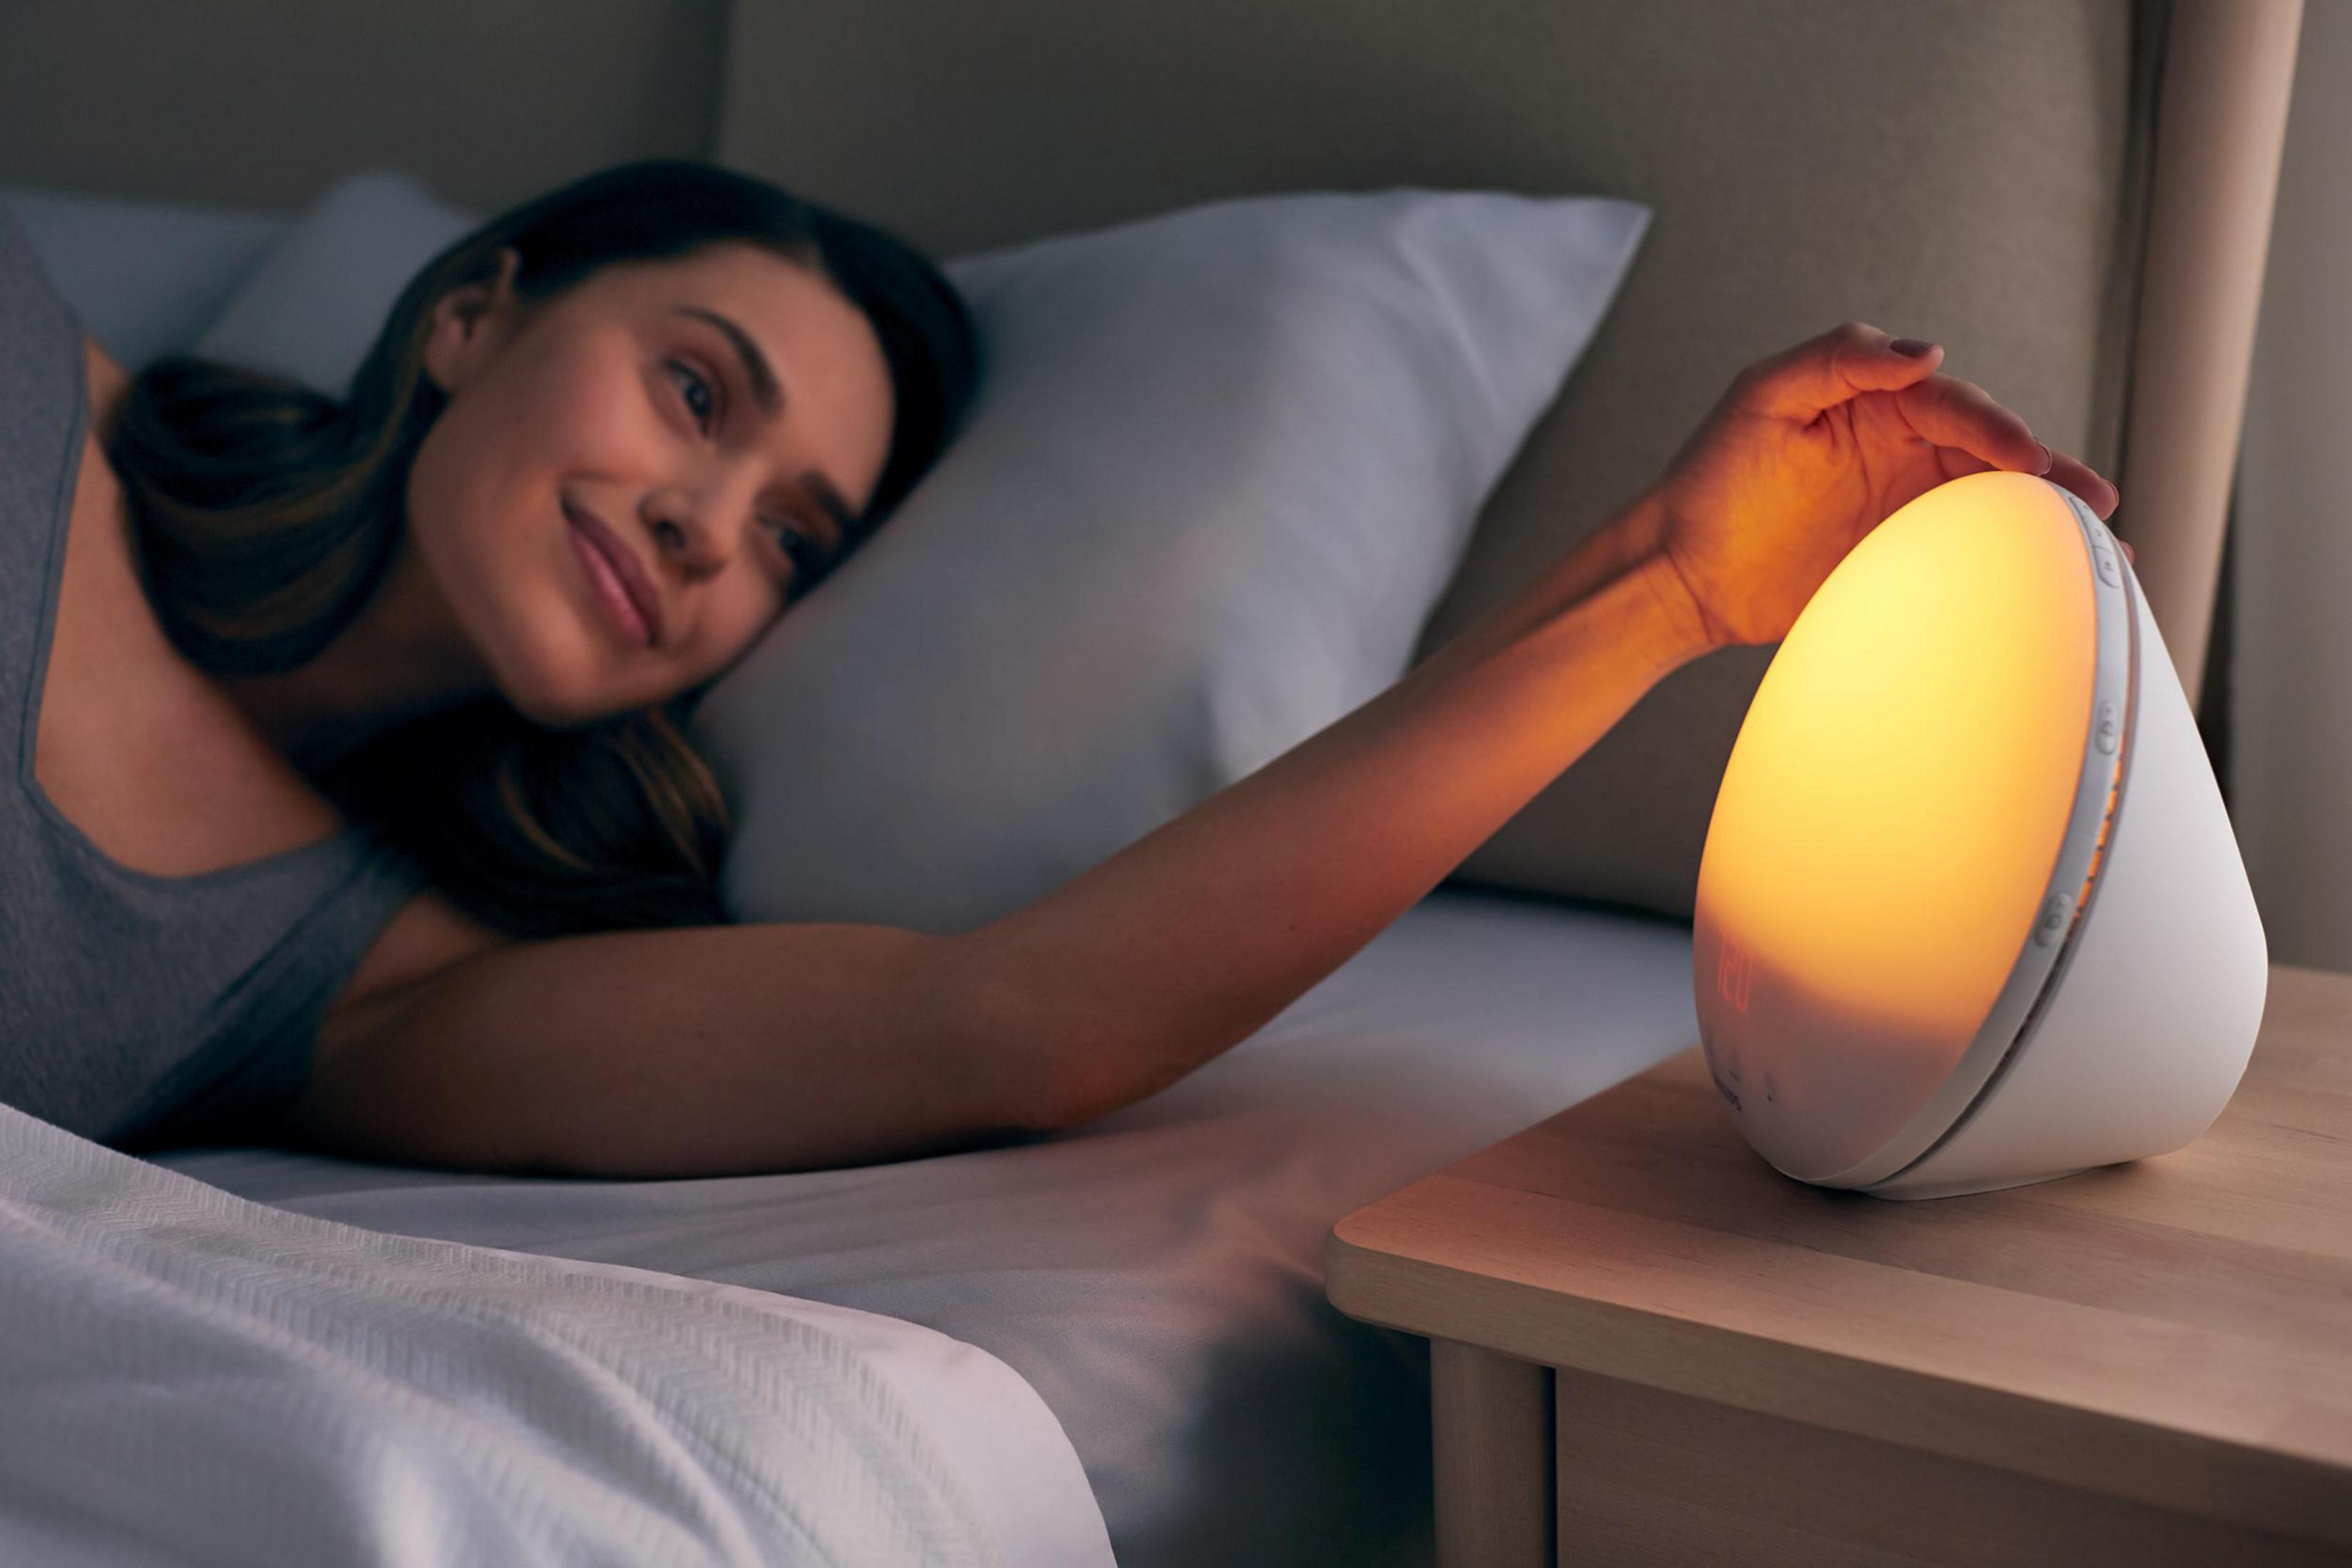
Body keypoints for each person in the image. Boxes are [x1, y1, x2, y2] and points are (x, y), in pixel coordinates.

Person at [1, 160, 2124, 1179]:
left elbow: (1018, 1021)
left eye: (789, 543)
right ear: (472, 313)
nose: (703, 525)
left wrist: (1662, 589)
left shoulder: (381, 990)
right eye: (692, 390)